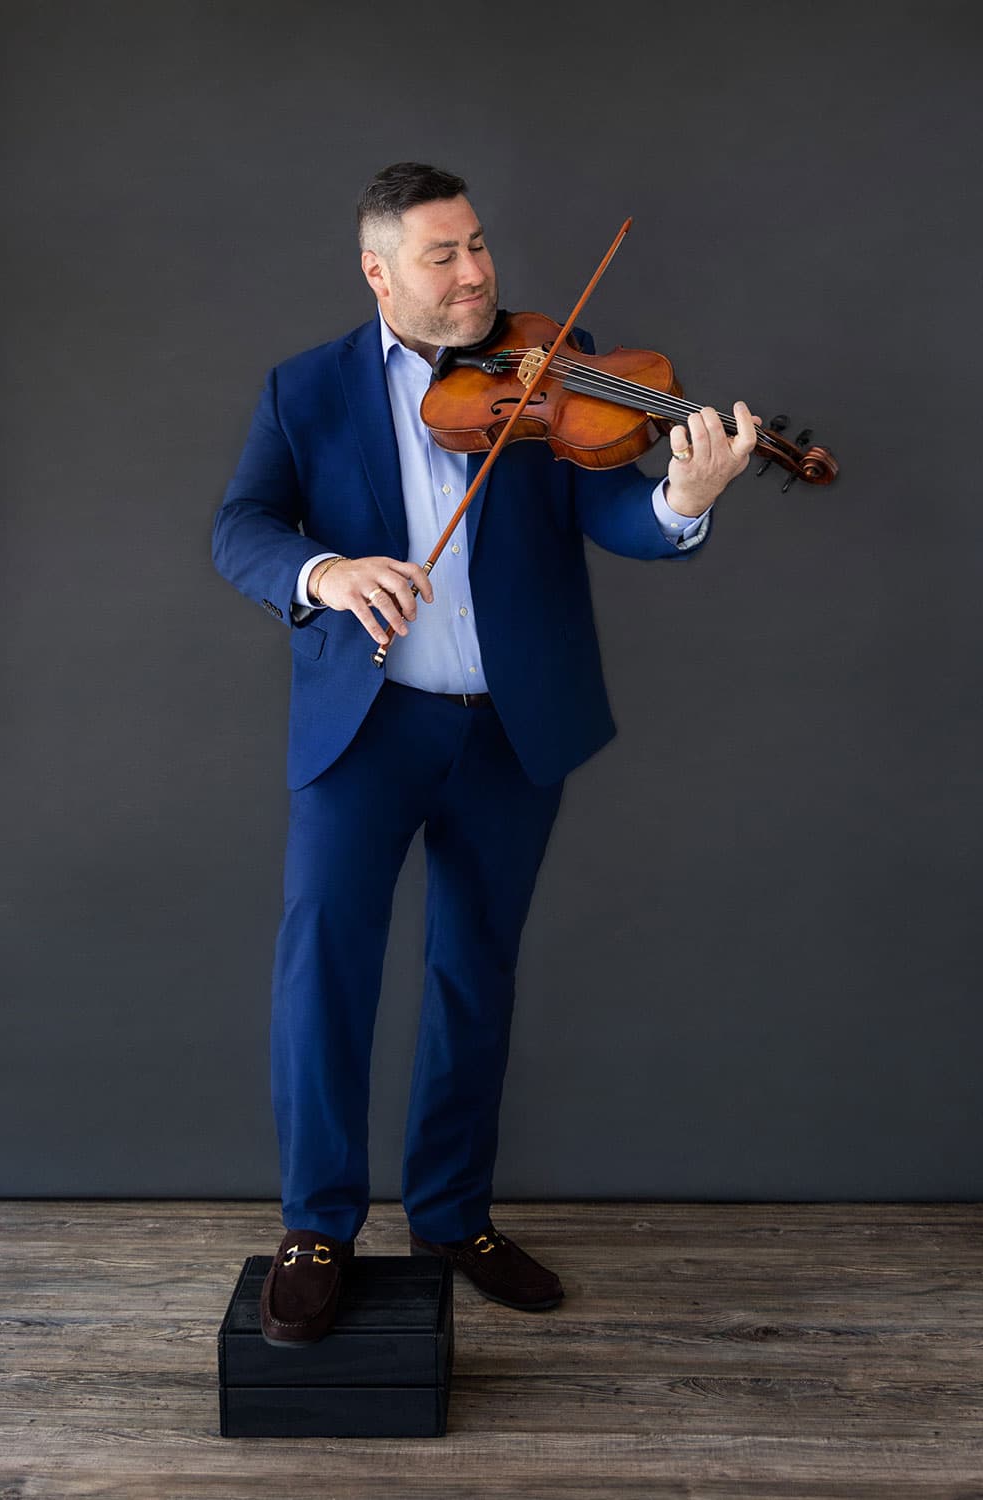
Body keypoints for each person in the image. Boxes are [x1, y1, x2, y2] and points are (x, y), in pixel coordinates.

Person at [212, 162, 760, 1347]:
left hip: (511, 727)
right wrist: (328, 572)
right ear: (378, 271)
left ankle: (455, 1215)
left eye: (477, 248)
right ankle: (316, 1224)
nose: (474, 275)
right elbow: (240, 527)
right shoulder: (303, 389)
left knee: (475, 972)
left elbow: (605, 508)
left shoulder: (552, 363)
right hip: (366, 726)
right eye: (440, 256)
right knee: (327, 975)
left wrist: (681, 496)